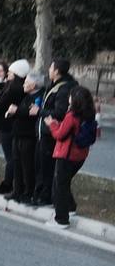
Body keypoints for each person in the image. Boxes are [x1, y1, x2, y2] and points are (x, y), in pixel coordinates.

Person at [45, 85, 97, 229]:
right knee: (65, 182)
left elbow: (60, 135)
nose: (68, 98)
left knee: (59, 186)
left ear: (74, 100)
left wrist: (52, 125)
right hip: (80, 155)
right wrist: (59, 125)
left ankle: (61, 219)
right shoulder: (89, 114)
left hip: (66, 154)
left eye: (70, 96)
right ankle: (70, 207)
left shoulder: (71, 115)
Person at [35, 59, 77, 207]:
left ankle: (47, 197)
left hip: (51, 134)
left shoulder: (64, 89)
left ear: (57, 71)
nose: (49, 70)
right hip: (44, 132)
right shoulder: (53, 85)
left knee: (48, 167)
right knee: (41, 166)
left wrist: (39, 111)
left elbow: (59, 112)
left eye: (51, 67)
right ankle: (41, 194)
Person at [0, 59, 29, 195]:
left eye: (10, 72)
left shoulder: (15, 88)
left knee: (11, 158)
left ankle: (8, 184)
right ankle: (11, 183)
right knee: (11, 157)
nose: (8, 74)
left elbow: (0, 105)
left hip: (8, 125)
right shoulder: (11, 85)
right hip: (8, 124)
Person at [6, 71, 44, 204]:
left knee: (27, 166)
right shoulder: (26, 96)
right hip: (18, 134)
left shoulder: (38, 97)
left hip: (28, 136)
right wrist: (12, 113)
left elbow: (31, 113)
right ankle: (17, 190)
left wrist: (16, 110)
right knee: (17, 163)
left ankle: (28, 192)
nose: (23, 85)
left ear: (33, 85)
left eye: (26, 82)